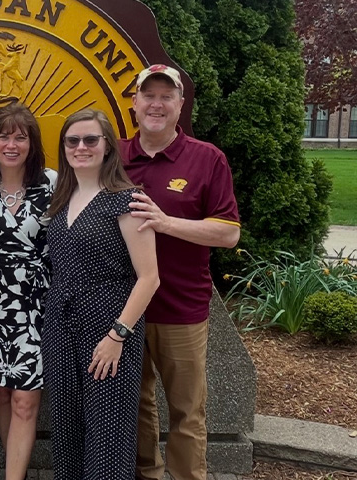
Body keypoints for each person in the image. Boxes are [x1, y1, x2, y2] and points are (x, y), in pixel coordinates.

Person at [119, 65, 241, 480]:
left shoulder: (207, 158)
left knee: (187, 413)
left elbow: (227, 234)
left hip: (182, 310)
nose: (156, 104)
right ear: (133, 103)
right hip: (125, 311)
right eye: (147, 95)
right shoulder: (112, 157)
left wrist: (165, 221)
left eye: (166, 96)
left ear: (180, 105)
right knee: (135, 407)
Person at [42, 109, 160, 479]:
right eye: (72, 140)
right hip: (60, 324)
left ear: (107, 146)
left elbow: (149, 277)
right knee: (66, 425)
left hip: (108, 326)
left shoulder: (128, 200)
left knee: (109, 429)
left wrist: (117, 335)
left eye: (91, 139)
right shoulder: (62, 197)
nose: (81, 147)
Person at [0, 103, 56, 480]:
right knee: (2, 394)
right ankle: (17, 471)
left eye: (20, 137)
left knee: (26, 400)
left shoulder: (53, 184)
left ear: (32, 143)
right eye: (4, 135)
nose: (12, 144)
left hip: (37, 307)